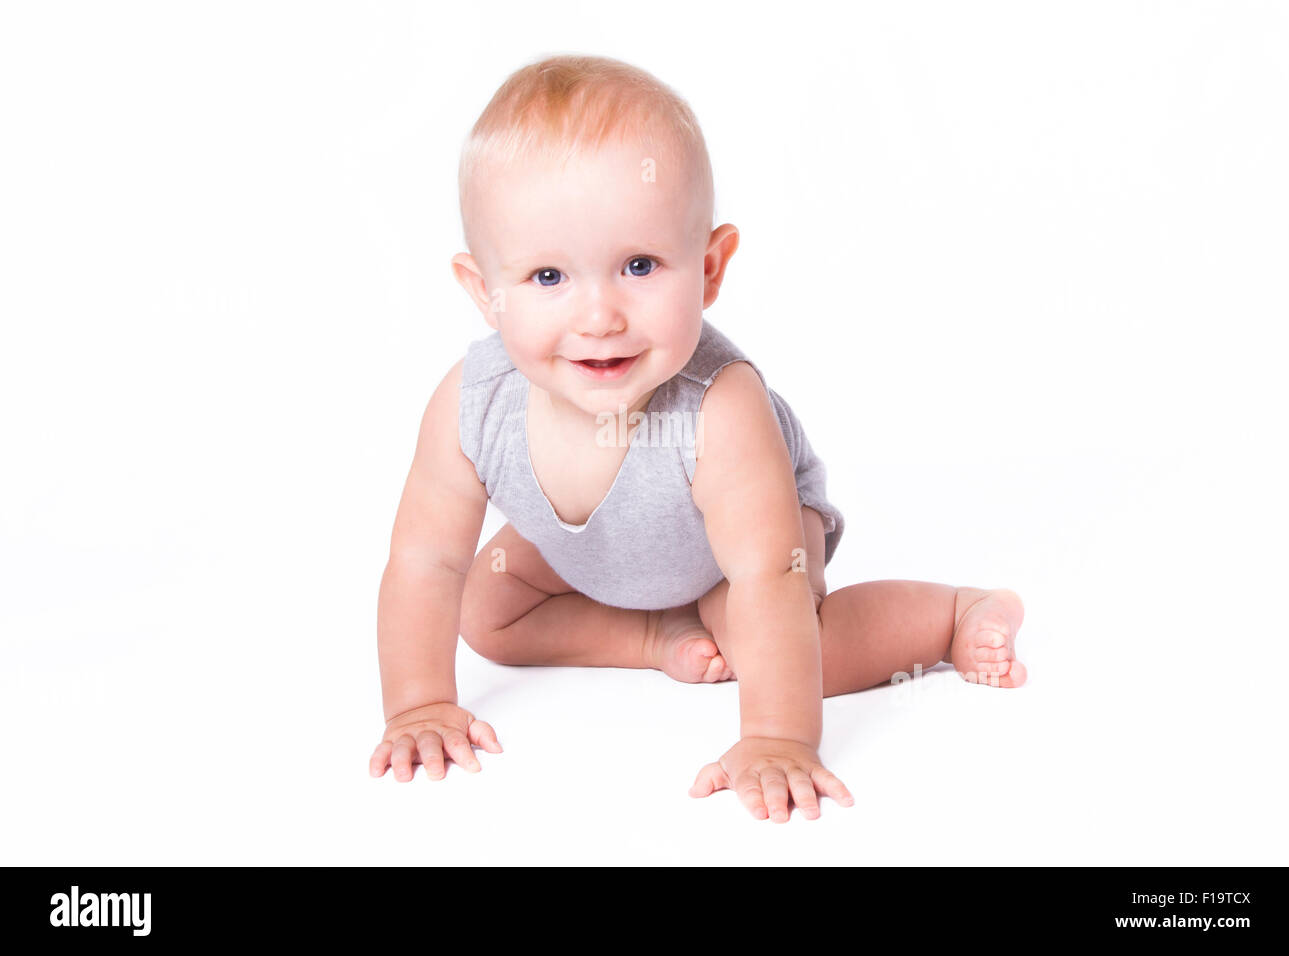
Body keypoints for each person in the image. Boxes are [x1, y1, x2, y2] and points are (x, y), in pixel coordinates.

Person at [369, 54, 1026, 822]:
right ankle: (653, 637)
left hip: (743, 552)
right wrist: (417, 705)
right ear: (486, 293)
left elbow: (767, 578)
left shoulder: (719, 406)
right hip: (606, 549)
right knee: (486, 609)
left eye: (639, 265)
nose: (599, 316)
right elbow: (425, 558)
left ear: (709, 269)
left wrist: (778, 737)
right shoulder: (471, 405)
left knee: (766, 642)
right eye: (549, 277)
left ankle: (948, 615)